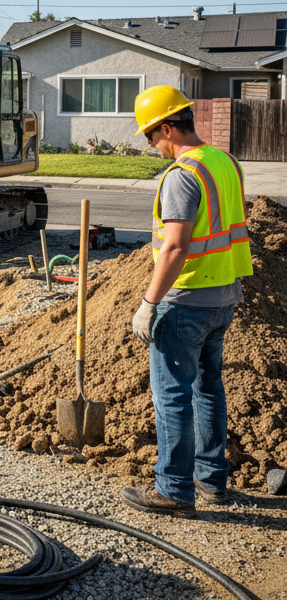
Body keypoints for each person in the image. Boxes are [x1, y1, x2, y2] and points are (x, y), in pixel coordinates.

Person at [123, 85, 252, 519]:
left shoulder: (182, 174)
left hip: (185, 301)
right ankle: (211, 481)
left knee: (172, 395)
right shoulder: (224, 161)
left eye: (150, 136)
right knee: (208, 389)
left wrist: (148, 302)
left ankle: (174, 490)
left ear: (166, 128)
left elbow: (175, 246)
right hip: (223, 296)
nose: (151, 145)